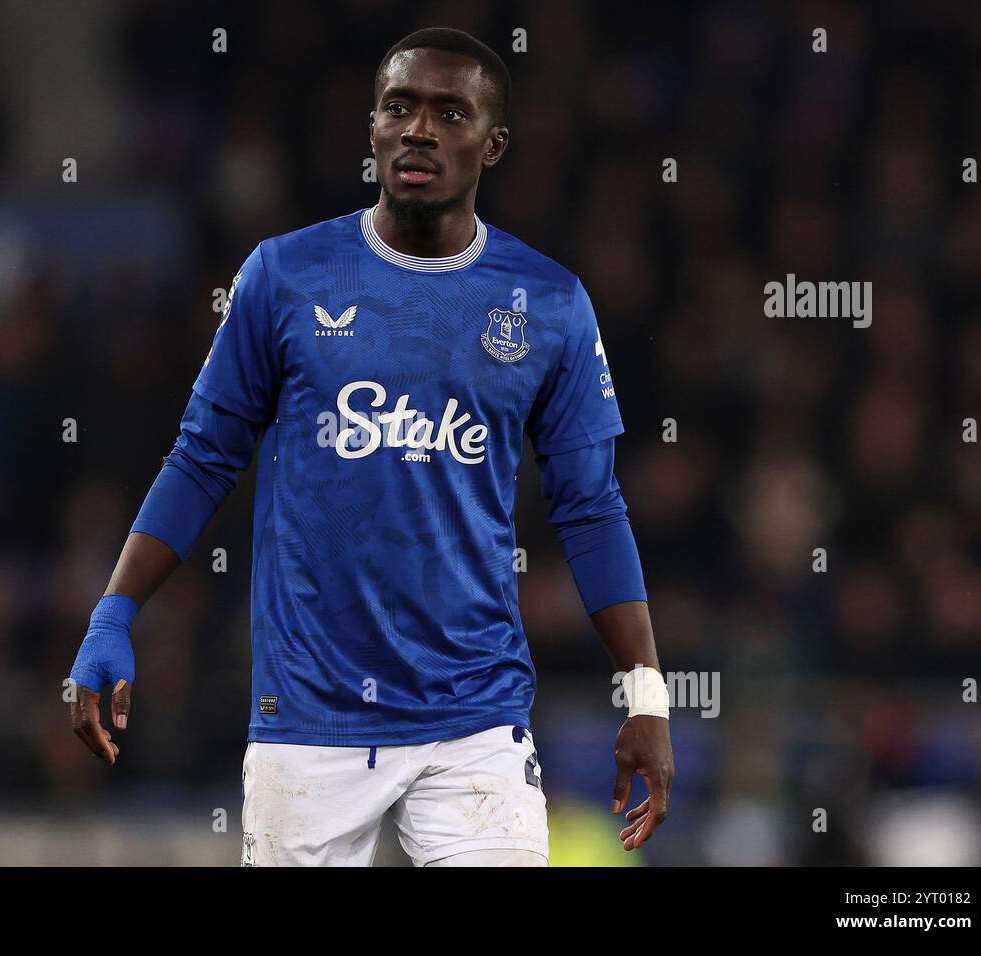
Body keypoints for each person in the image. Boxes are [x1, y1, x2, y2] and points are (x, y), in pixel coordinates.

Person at [66, 27, 674, 867]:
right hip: (310, 723)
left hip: (475, 720)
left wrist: (645, 694)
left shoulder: (548, 305)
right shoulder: (284, 278)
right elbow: (203, 457)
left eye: (449, 113)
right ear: (374, 129)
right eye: (400, 107)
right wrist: (114, 611)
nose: (419, 129)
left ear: (492, 145)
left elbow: (593, 508)